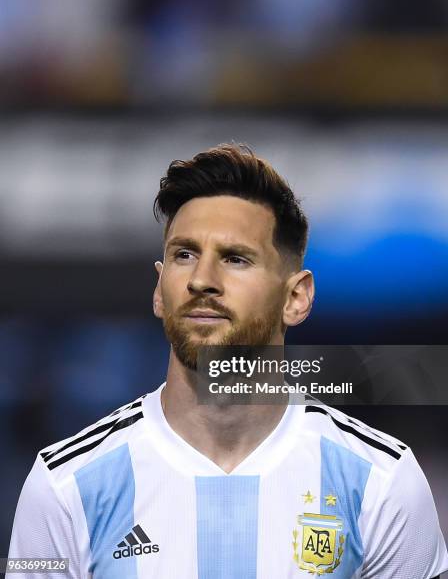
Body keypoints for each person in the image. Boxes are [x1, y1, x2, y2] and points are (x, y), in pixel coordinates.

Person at [7, 144, 448, 578]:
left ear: (296, 298)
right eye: (184, 255)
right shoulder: (64, 486)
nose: (202, 280)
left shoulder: (382, 483)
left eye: (235, 259)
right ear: (160, 290)